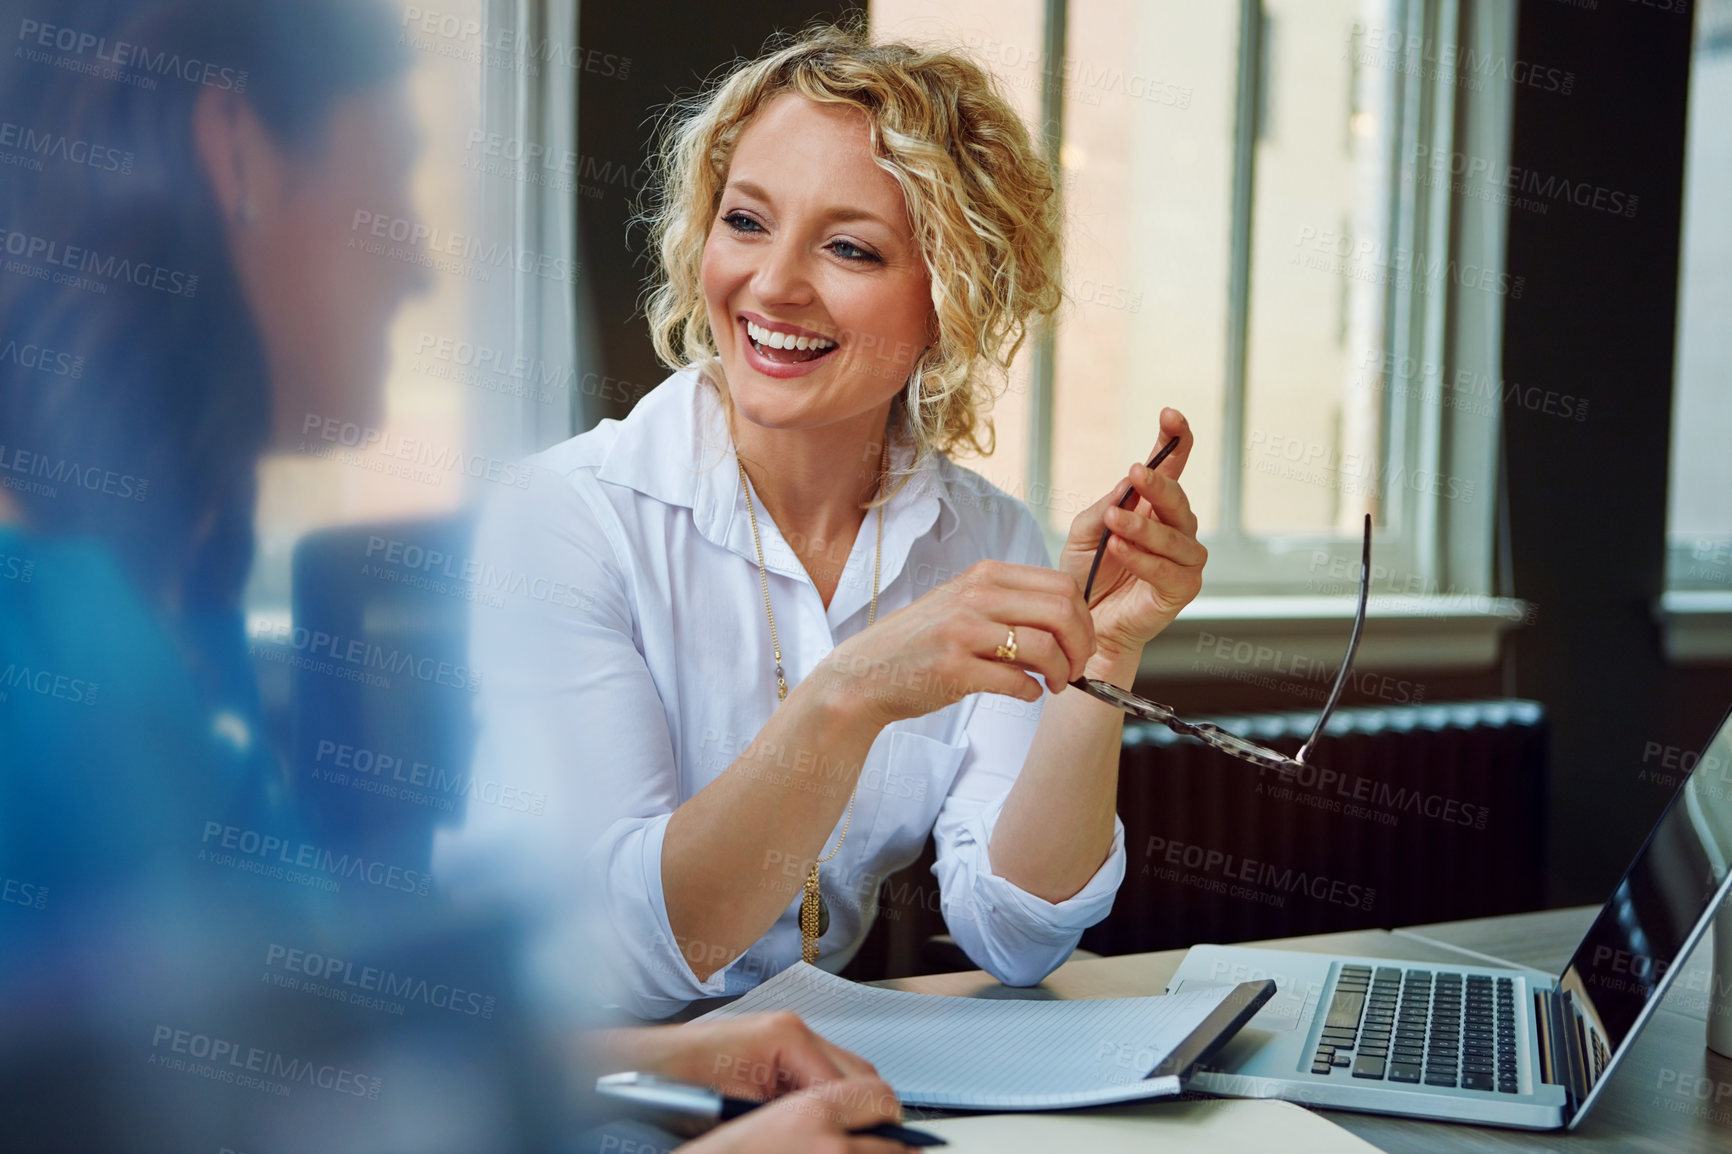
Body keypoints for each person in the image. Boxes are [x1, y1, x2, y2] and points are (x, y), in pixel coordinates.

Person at [0, 2, 901, 1149]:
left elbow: (269, 1079)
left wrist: (666, 1056)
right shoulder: (56, 666)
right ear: (237, 154)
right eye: (390, 183)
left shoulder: (167, 611)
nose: (419, 273)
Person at [439, 20, 1208, 1020]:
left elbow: (1016, 934)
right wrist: (852, 689)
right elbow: (607, 963)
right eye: (746, 222)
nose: (772, 285)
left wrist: (1097, 660)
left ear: (952, 295)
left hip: (804, 1085)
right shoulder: (564, 517)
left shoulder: (985, 542)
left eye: (849, 246)